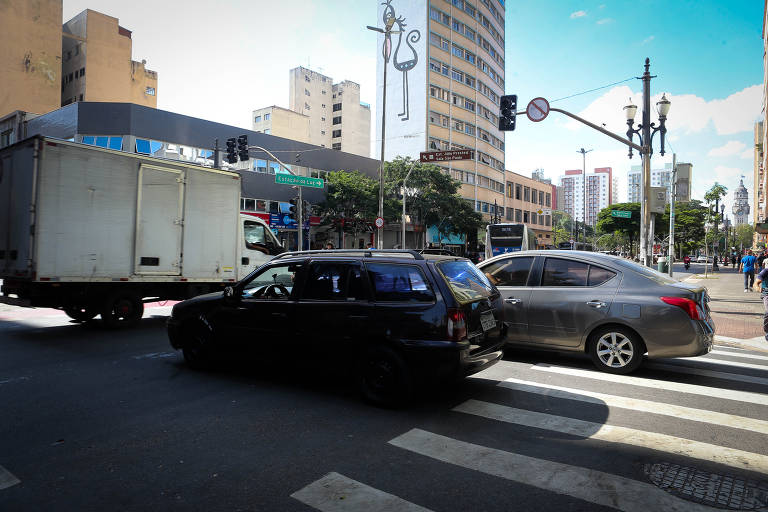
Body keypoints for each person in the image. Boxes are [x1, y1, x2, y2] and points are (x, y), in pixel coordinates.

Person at [754, 260, 768, 341]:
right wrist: (758, 288)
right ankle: (767, 331)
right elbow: (756, 283)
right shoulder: (765, 271)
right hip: (766, 293)